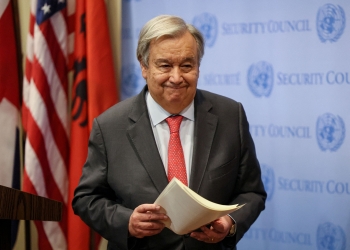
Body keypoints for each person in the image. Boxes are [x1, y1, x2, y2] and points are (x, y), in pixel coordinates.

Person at [72, 15, 266, 250]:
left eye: (187, 65)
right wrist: (128, 222)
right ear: (144, 66)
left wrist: (230, 223)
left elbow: (252, 192)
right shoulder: (110, 126)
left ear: (198, 66)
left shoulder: (230, 116)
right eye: (165, 65)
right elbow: (86, 199)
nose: (176, 78)